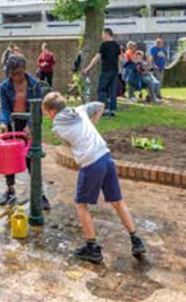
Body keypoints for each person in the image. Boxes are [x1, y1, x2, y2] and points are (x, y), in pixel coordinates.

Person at [42, 92, 146, 264]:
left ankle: (92, 248)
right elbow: (100, 105)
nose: (46, 116)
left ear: (52, 112)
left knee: (81, 205)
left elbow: (69, 142)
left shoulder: (57, 128)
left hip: (91, 163)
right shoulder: (80, 110)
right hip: (106, 157)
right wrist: (92, 124)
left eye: (46, 112)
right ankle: (135, 239)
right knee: (117, 201)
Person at [0, 54, 51, 210]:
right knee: (9, 158)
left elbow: (38, 109)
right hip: (12, 123)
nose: (17, 77)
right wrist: (3, 122)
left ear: (25, 70)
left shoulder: (34, 85)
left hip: (30, 122)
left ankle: (39, 194)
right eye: (13, 74)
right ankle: (10, 190)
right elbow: (5, 108)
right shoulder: (4, 87)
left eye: (19, 73)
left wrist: (30, 125)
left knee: (31, 159)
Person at [84, 28, 121, 116]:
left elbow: (97, 58)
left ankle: (104, 108)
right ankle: (113, 109)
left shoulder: (104, 45)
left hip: (106, 70)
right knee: (112, 91)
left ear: (107, 34)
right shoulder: (116, 45)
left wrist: (88, 68)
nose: (102, 36)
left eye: (103, 34)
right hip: (114, 71)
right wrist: (119, 70)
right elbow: (119, 59)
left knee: (101, 89)